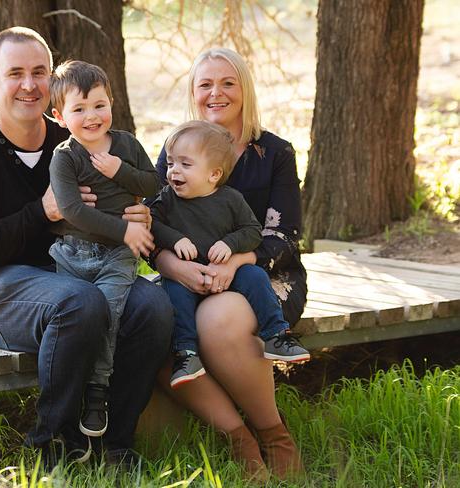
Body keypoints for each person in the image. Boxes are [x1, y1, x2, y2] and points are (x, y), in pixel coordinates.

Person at [0, 26, 173, 468]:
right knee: (79, 303)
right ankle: (51, 447)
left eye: (39, 72)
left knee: (152, 306)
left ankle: (113, 444)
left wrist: (134, 216)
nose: (29, 84)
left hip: (72, 272)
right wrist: (41, 212)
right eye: (15, 73)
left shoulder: (77, 138)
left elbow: (124, 198)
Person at [153, 47, 307, 480]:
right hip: (188, 277)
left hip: (264, 277)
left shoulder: (274, 153)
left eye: (227, 83)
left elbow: (284, 236)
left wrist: (235, 262)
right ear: (194, 92)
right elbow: (153, 224)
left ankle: (274, 434)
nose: (215, 93)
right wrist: (174, 267)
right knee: (150, 322)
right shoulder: (177, 149)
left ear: (244, 90)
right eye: (205, 84)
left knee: (219, 320)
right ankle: (239, 439)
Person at [149, 120, 309, 390]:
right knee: (173, 294)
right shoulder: (166, 199)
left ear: (213, 174)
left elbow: (253, 231)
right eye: (172, 163)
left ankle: (278, 335)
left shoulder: (230, 199)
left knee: (255, 276)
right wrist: (175, 239)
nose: (174, 170)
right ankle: (186, 354)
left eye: (185, 165)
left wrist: (230, 244)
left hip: (227, 270)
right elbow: (151, 224)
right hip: (188, 275)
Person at [47, 60, 160, 437]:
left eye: (99, 105)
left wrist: (119, 172)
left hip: (116, 256)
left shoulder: (126, 144)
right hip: (72, 253)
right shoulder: (64, 157)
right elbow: (72, 210)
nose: (92, 116)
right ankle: (69, 394)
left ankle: (97, 393)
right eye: (79, 109)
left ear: (112, 102)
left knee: (109, 315)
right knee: (77, 318)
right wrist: (125, 229)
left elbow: (154, 183)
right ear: (60, 117)